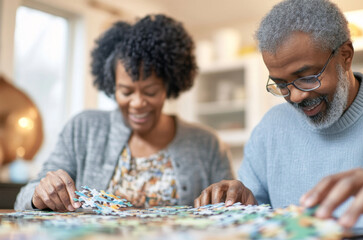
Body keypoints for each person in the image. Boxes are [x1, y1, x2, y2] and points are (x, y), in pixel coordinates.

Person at [194, 0, 363, 239]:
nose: (295, 96)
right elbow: (253, 220)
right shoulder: (270, 129)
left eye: (307, 77)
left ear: (346, 55)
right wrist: (240, 201)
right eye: (281, 84)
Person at [15, 14, 233, 211]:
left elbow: (232, 209)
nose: (137, 103)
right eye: (126, 91)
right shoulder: (83, 129)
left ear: (169, 85)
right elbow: (23, 199)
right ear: (112, 86)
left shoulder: (207, 144)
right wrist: (39, 195)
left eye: (150, 91)